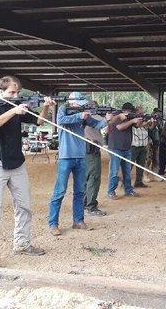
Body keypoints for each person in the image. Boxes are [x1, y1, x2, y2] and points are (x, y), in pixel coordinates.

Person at [0, 76, 54, 270]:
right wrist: (13, 111)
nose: (15, 96)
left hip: (17, 164)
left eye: (17, 93)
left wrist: (46, 106)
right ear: (1, 92)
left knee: (25, 206)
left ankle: (22, 244)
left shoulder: (19, 106)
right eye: (11, 92)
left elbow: (39, 121)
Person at [48, 92, 109, 236]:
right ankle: (53, 223)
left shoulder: (83, 116)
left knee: (80, 191)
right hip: (65, 157)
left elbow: (97, 124)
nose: (81, 108)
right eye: (79, 105)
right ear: (72, 103)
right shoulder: (63, 109)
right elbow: (61, 120)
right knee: (60, 191)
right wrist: (79, 116)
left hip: (80, 157)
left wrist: (108, 119)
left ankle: (78, 220)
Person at [107, 102, 142, 199]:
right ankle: (111, 191)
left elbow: (138, 126)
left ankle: (128, 190)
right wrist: (132, 121)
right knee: (114, 171)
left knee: (127, 171)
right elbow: (120, 127)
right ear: (126, 111)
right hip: (116, 148)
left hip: (126, 148)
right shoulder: (117, 116)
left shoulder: (129, 118)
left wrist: (139, 120)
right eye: (131, 111)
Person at [84, 101, 109, 216]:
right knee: (94, 178)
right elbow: (103, 123)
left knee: (87, 178)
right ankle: (91, 206)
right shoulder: (91, 116)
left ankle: (86, 203)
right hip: (91, 150)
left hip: (87, 150)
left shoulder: (86, 116)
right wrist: (112, 117)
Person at [131, 108, 152, 188]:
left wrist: (151, 122)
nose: (142, 113)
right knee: (129, 165)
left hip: (143, 145)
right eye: (140, 112)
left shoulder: (143, 120)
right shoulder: (132, 119)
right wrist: (146, 121)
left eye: (142, 112)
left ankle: (139, 182)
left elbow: (150, 129)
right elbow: (137, 126)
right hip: (134, 145)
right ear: (136, 112)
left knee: (141, 165)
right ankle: (124, 183)